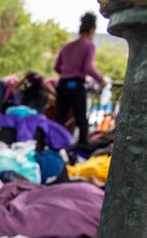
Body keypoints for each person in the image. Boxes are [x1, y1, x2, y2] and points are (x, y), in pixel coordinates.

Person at [55, 12, 106, 145]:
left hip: (62, 84)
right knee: (81, 119)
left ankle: (55, 143)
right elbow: (88, 67)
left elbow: (57, 67)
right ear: (92, 30)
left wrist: (67, 72)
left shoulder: (67, 46)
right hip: (77, 85)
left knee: (60, 118)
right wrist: (101, 80)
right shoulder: (89, 46)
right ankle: (82, 147)